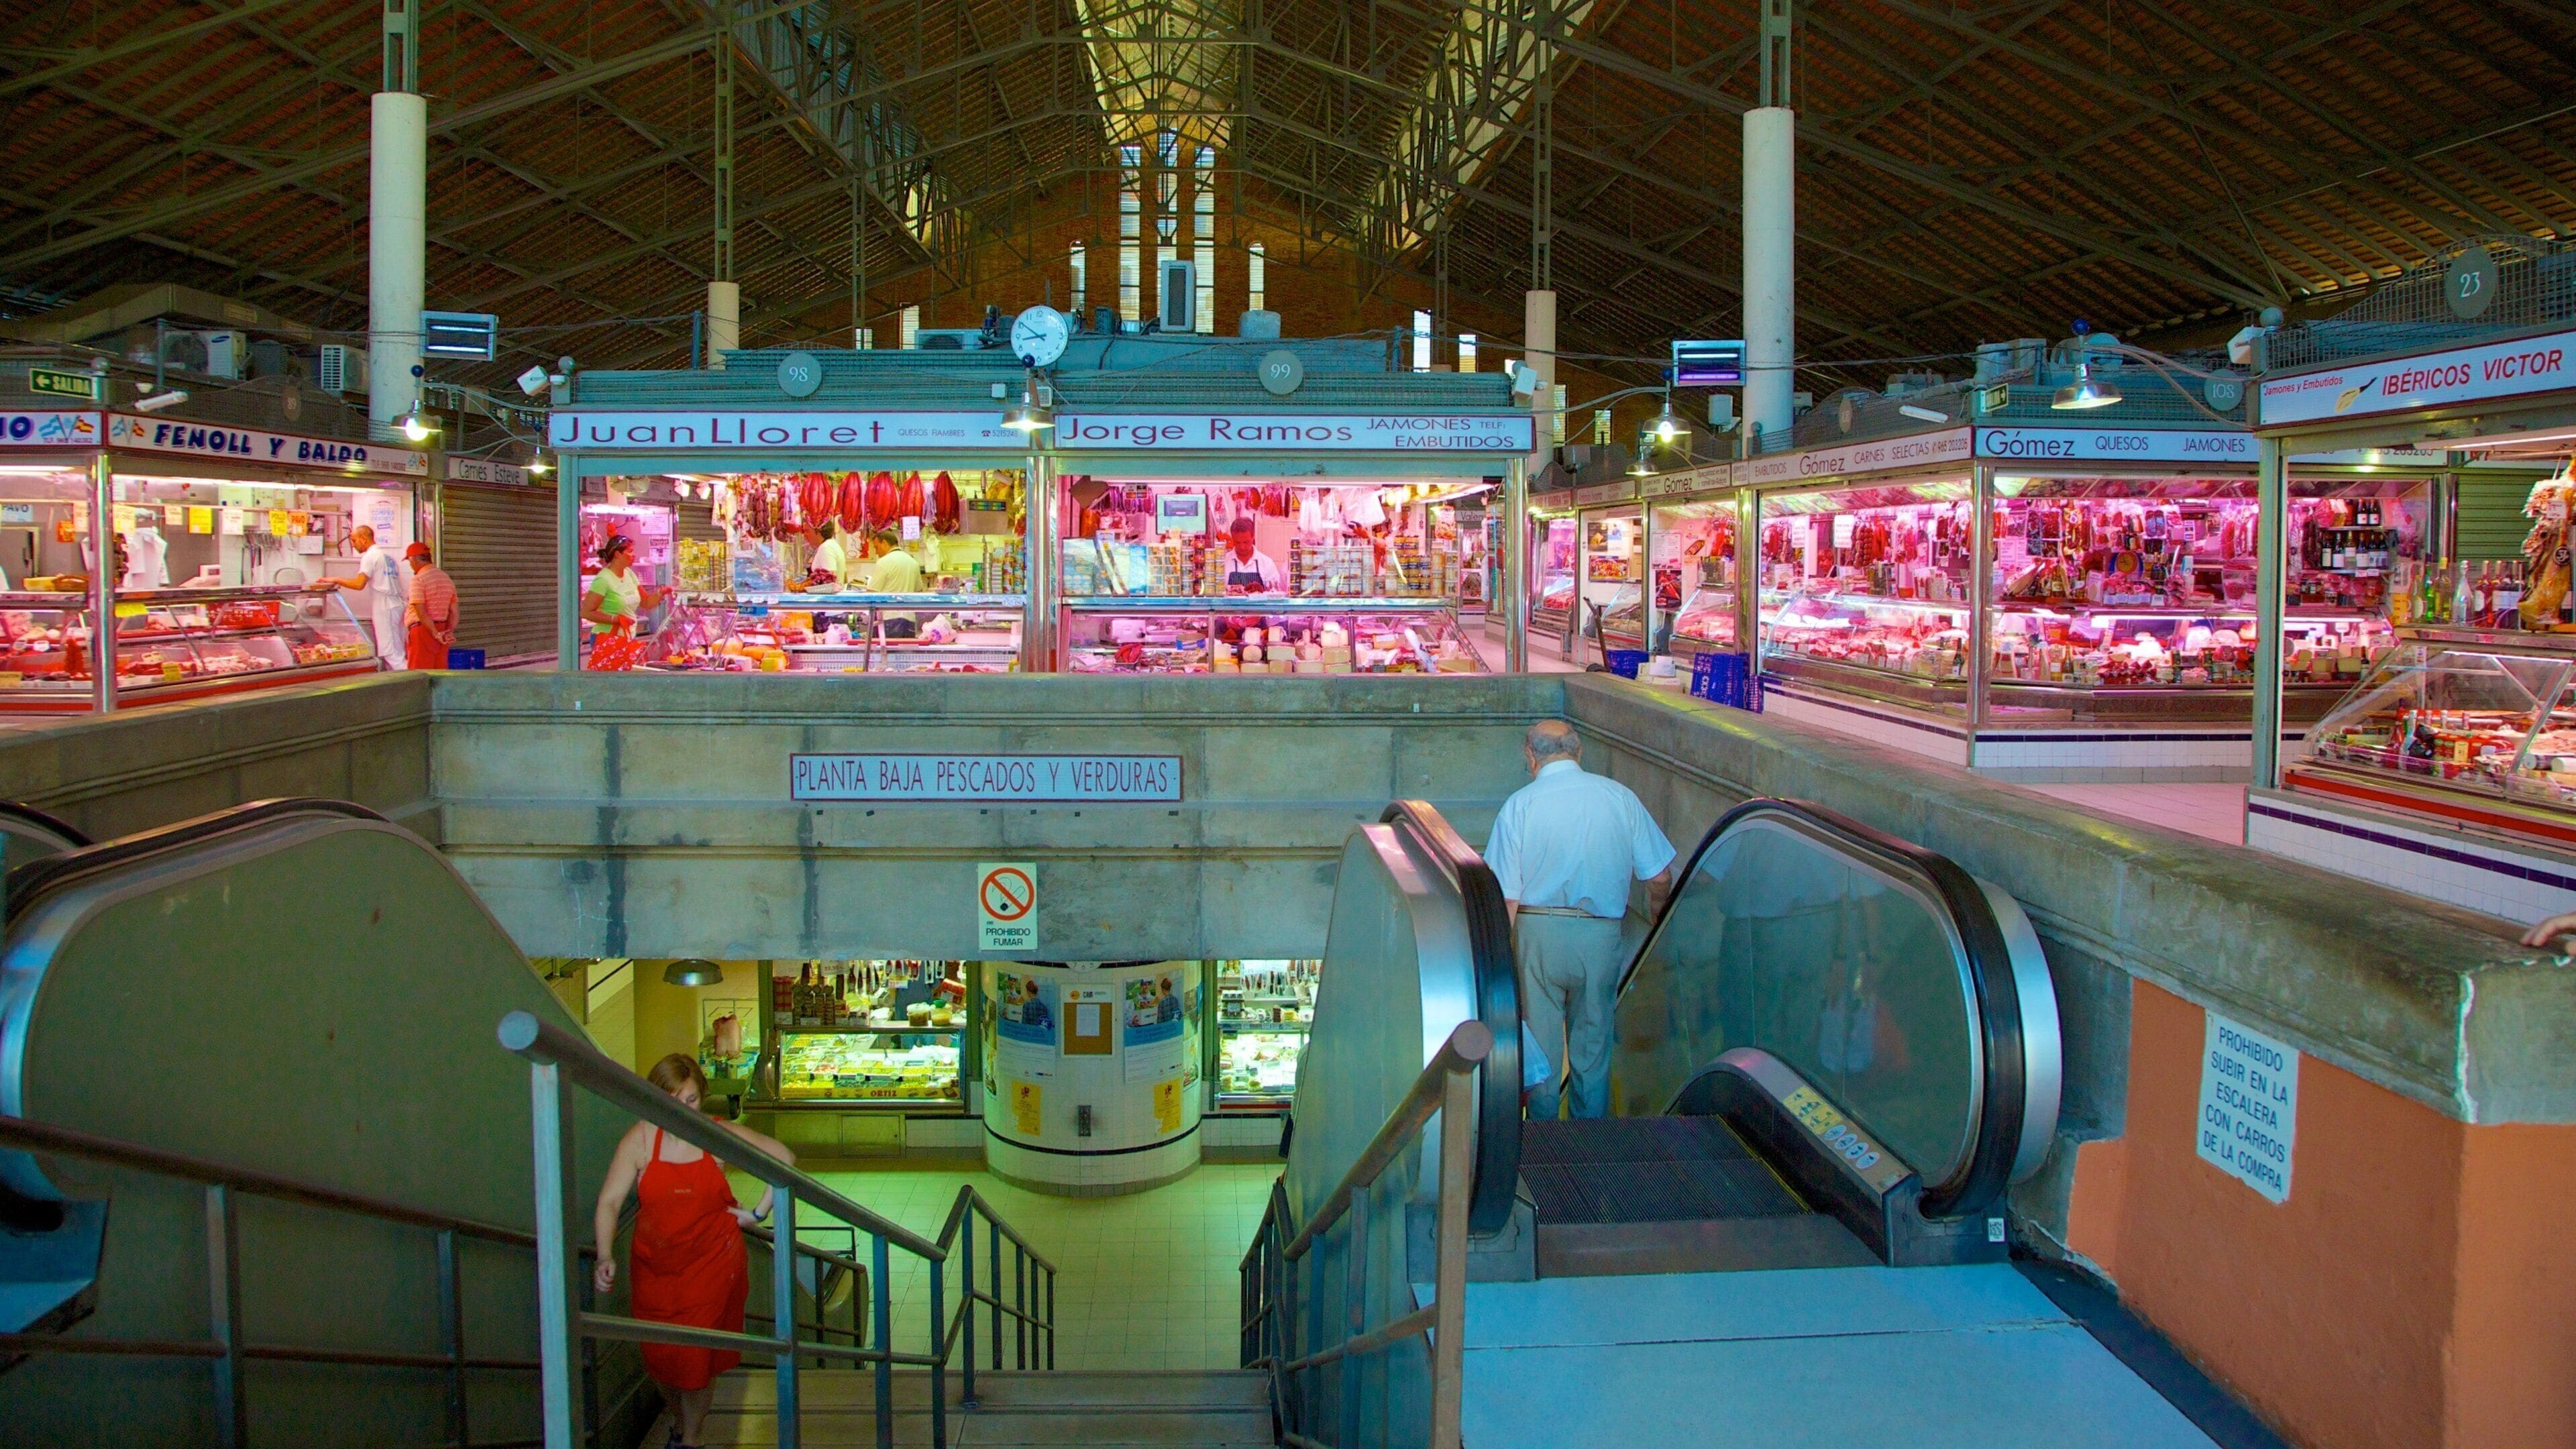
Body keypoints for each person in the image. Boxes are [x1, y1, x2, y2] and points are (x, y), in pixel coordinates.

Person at [592, 1054, 793, 1449]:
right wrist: (604, 1254)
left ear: (703, 1098)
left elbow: (783, 1160)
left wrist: (757, 1213)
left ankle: (692, 1438)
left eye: (691, 1100)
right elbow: (610, 1202)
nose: (681, 1110)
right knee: (661, 1358)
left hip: (711, 1267)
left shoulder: (717, 1136)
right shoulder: (640, 1139)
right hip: (655, 1269)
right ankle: (678, 1419)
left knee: (697, 1359)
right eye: (671, 1098)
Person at [1485, 719, 1676, 1120]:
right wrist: (1659, 923)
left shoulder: (1520, 804)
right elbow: (1659, 877)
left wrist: (1497, 962)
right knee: (1593, 1048)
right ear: (1579, 752)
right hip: (1601, 934)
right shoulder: (1620, 798)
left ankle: (1541, 1147)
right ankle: (1589, 1147)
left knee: (1540, 1051)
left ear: (1530, 756)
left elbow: (1506, 898)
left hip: (1539, 933)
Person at [327, 525, 409, 669]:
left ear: (363, 539)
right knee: (398, 651)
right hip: (397, 605)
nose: (353, 545)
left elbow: (359, 584)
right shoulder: (387, 556)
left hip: (385, 607)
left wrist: (335, 580)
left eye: (354, 540)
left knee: (391, 654)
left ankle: (412, 686)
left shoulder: (370, 557)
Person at [581, 534, 663, 637]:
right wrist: (616, 620)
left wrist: (661, 593)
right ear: (617, 555)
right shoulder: (603, 579)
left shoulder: (629, 573)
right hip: (607, 639)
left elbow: (646, 603)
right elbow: (586, 612)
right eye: (630, 551)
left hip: (627, 637)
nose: (634, 555)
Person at [402, 542, 459, 670]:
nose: (411, 566)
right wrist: (448, 632)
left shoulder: (418, 580)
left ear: (414, 560)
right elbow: (454, 611)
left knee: (419, 674)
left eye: (410, 562)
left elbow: (421, 612)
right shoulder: (446, 578)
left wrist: (435, 633)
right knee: (439, 674)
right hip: (443, 629)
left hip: (423, 630)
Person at [1218, 515, 1285, 594]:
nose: (1242, 547)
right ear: (1232, 538)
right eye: (1237, 542)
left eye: (1246, 542)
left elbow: (1275, 593)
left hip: (1259, 607)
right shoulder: (1223, 562)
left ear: (1253, 538)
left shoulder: (1267, 563)